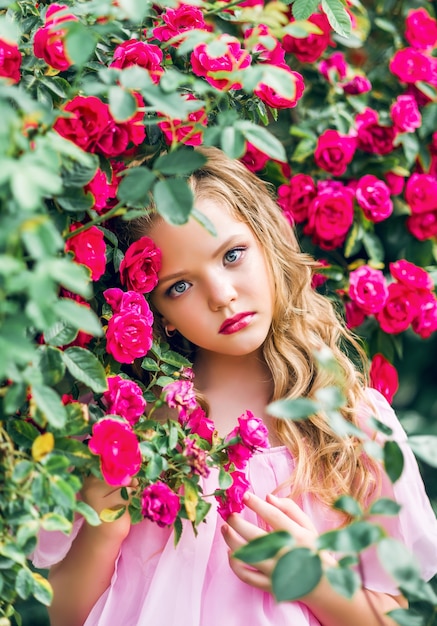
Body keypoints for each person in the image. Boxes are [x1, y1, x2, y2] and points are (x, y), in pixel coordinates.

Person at [33, 147, 437, 626]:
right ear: (153, 310)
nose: (222, 295)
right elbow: (63, 615)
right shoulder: (127, 433)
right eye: (179, 286)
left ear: (267, 239)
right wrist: (103, 530)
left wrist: (318, 582)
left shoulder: (353, 424)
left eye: (232, 255)